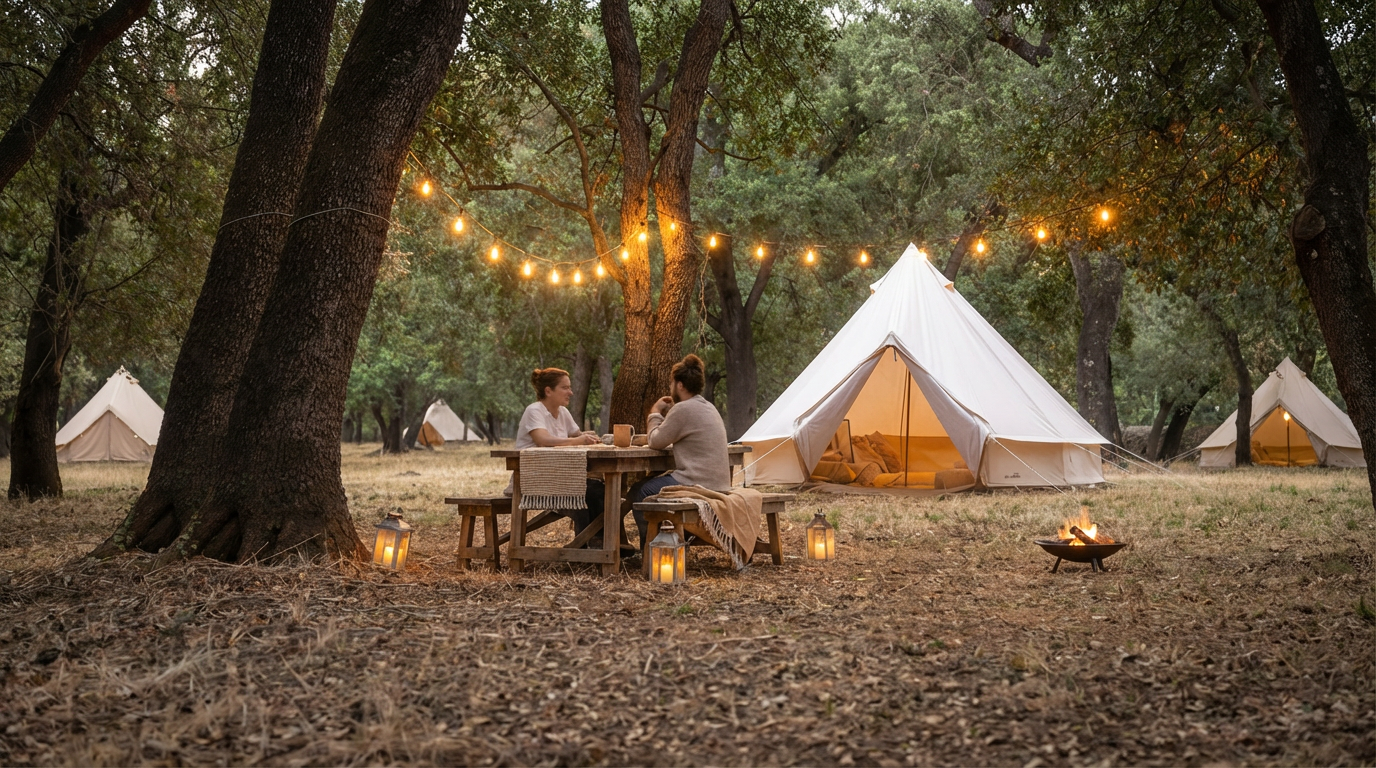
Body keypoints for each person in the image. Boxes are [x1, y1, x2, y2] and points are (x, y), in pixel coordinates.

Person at [629, 354, 730, 546]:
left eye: (671, 383)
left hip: (696, 483)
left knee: (641, 493)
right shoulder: (708, 407)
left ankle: (652, 550)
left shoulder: (683, 409)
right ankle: (665, 544)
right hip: (718, 482)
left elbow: (655, 441)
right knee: (638, 488)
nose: (670, 387)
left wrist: (655, 413)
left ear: (680, 385)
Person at [508, 367, 603, 535]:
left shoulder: (563, 412)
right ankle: (583, 548)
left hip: (559, 477)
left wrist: (592, 437)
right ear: (548, 391)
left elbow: (578, 434)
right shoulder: (534, 410)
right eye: (565, 388)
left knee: (600, 490)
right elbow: (542, 439)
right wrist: (577, 441)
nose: (571, 392)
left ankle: (604, 544)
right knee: (587, 493)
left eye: (570, 387)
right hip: (533, 480)